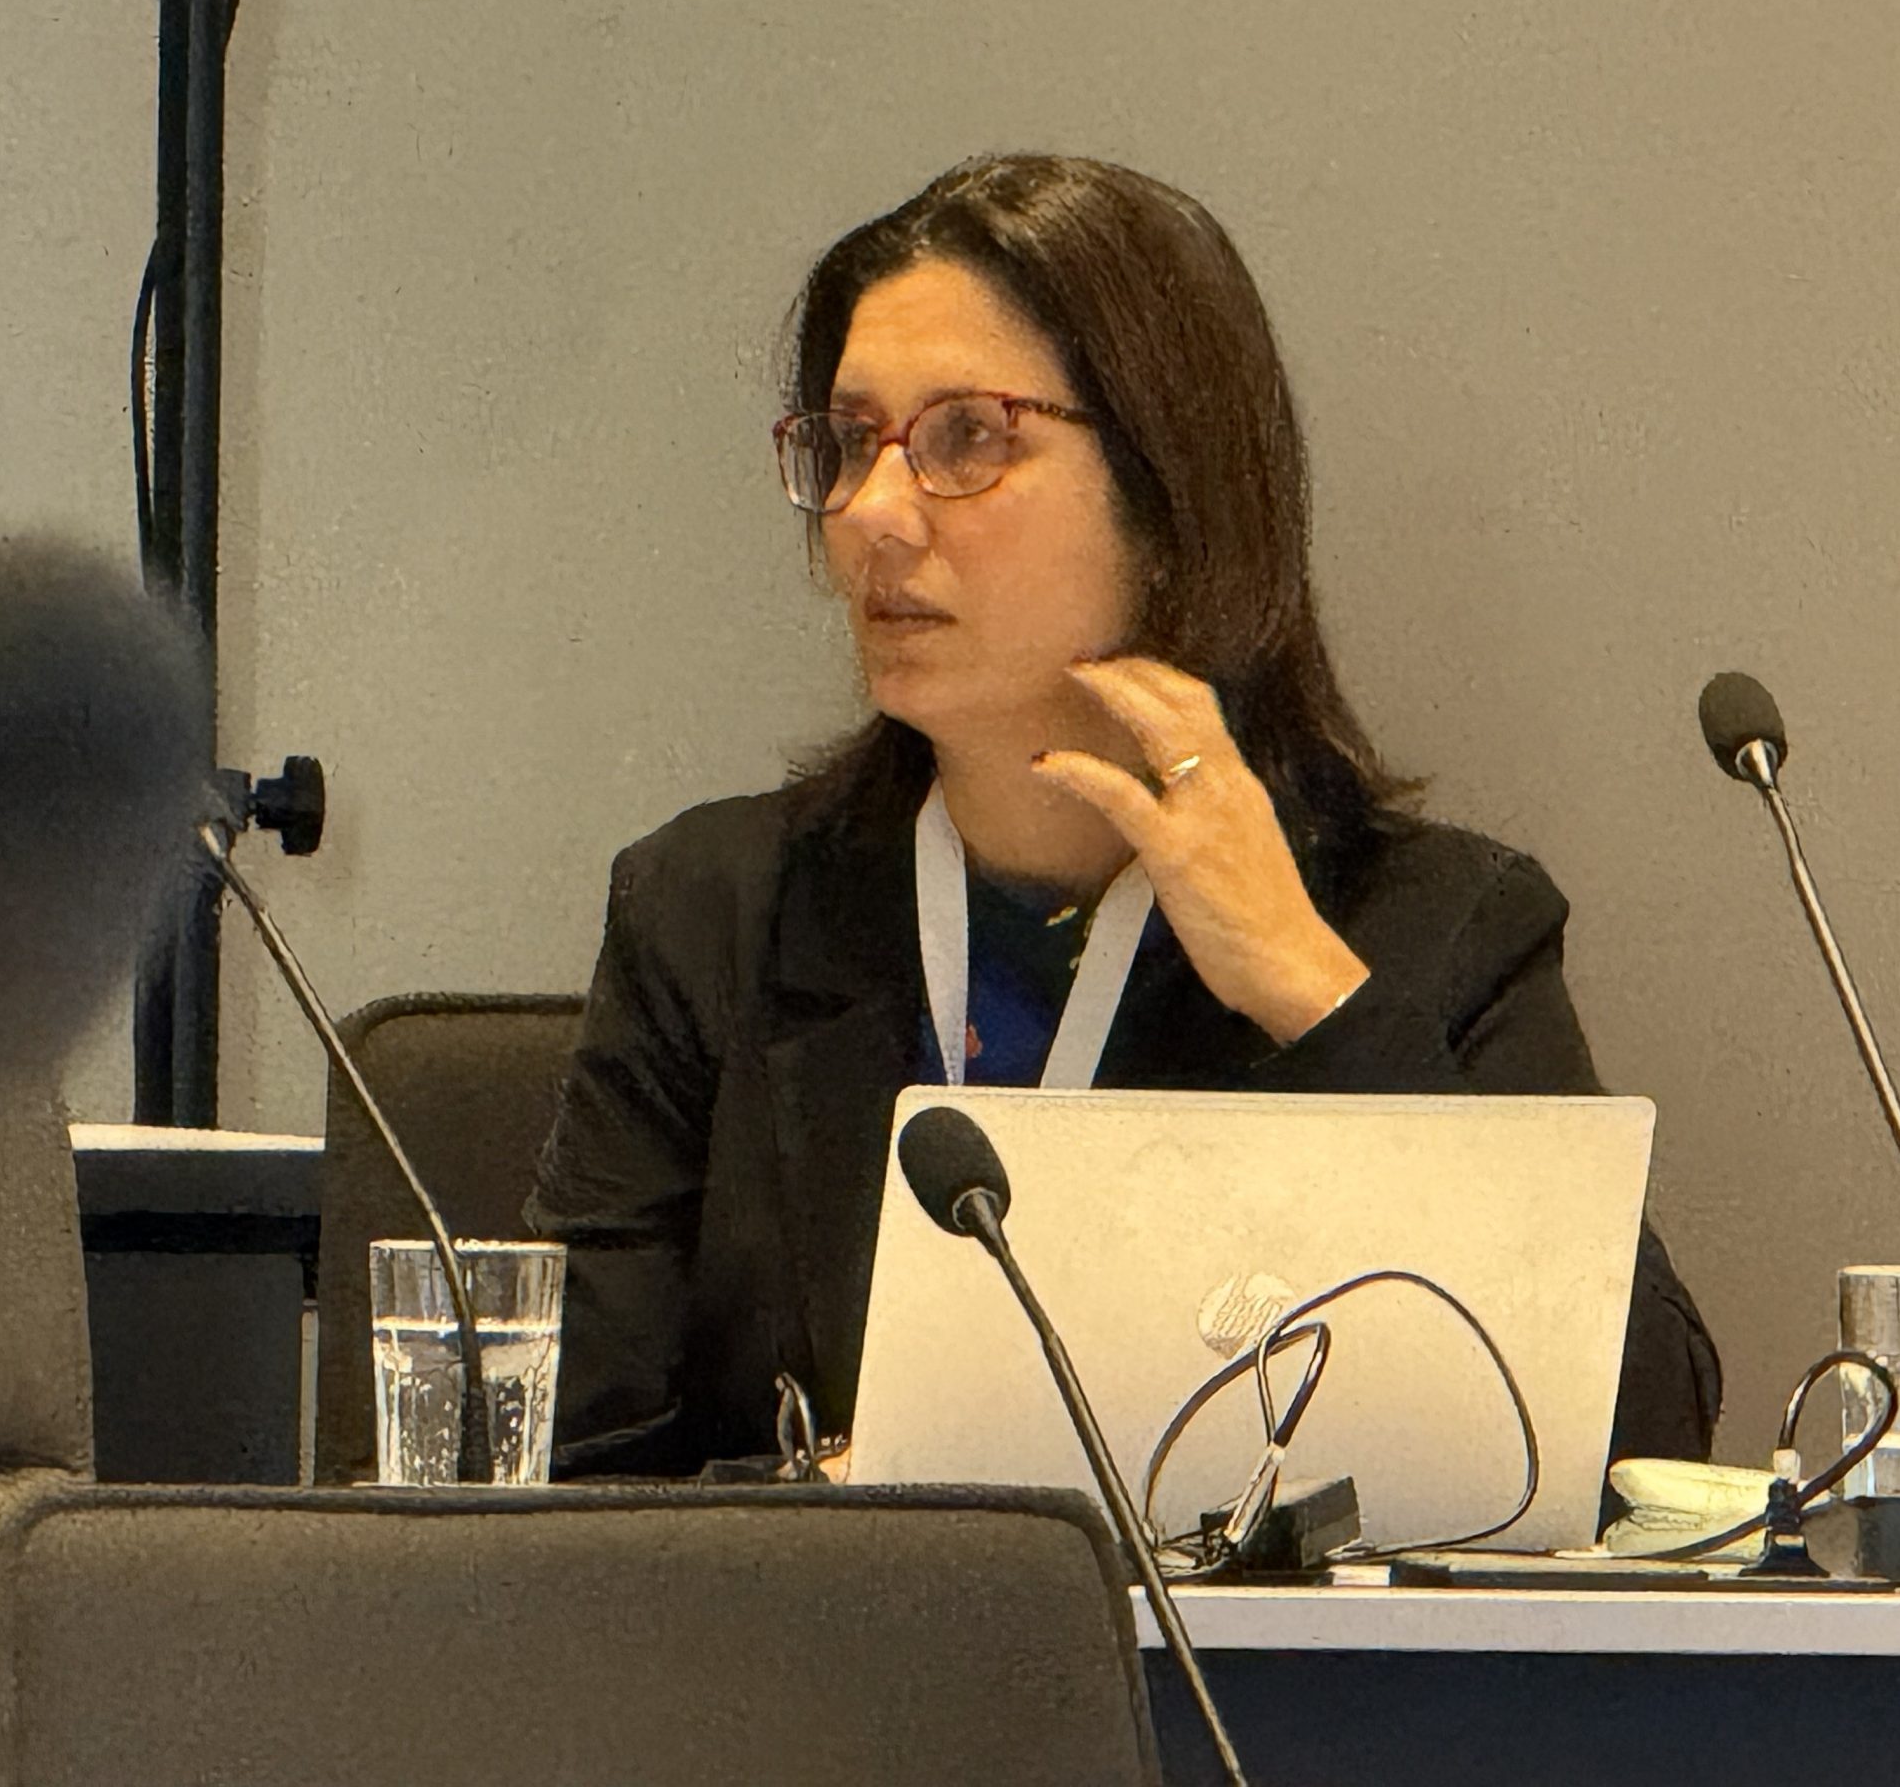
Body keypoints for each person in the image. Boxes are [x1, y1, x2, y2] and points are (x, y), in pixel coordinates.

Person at [527, 154, 1721, 1481]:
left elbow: (1641, 1439)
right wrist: (838, 1507)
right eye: (851, 444)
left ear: (1167, 493)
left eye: (965, 439)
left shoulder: (1435, 929)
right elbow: (556, 1480)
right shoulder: (715, 915)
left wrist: (1315, 995)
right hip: (828, 1626)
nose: (873, 513)